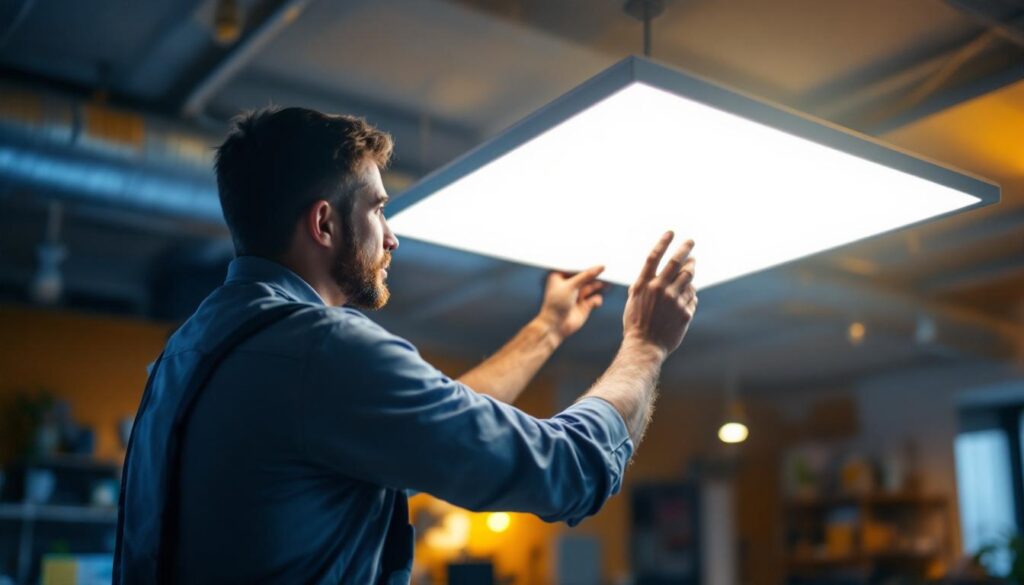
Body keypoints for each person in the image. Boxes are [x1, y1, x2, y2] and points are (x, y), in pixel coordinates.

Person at [114, 107, 698, 584]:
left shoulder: (187, 355)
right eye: (378, 208)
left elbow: (432, 425)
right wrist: (645, 346)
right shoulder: (322, 350)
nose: (391, 238)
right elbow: (568, 471)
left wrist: (547, 328)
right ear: (324, 224)